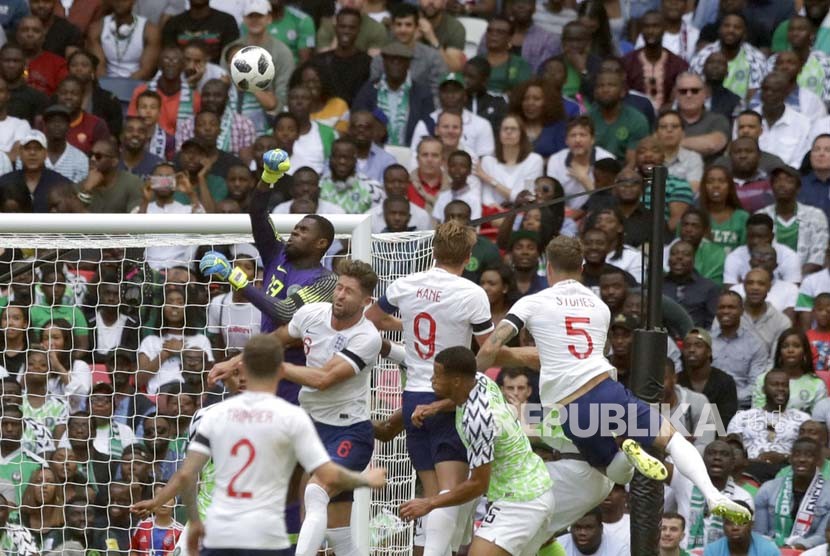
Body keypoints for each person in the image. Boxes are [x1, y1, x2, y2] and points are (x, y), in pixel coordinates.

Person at [477, 235, 752, 525]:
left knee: (616, 473)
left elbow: (491, 348)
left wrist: (475, 371)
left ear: (548, 267)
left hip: (571, 410)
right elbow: (598, 349)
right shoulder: (600, 307)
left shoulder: (532, 302)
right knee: (671, 439)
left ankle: (625, 450)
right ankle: (713, 495)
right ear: (582, 267)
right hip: (608, 390)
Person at [132, 334, 386, 556]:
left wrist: (159, 502)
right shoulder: (291, 418)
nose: (241, 379)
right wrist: (364, 480)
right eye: (237, 373)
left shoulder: (212, 416)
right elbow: (327, 473)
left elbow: (187, 475)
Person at [365, 219, 494, 555]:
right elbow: (489, 348)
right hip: (448, 396)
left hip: (412, 396)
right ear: (468, 256)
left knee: (432, 493)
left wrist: (404, 327)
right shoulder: (472, 294)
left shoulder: (406, 284)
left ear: (433, 251)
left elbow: (372, 319)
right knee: (446, 496)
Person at [399, 346, 556, 555]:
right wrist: (436, 407)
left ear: (455, 381)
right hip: (536, 489)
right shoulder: (481, 381)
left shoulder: (478, 422)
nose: (432, 380)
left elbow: (477, 484)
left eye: (438, 375)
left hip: (520, 501)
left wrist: (430, 503)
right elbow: (459, 400)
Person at [272, 261, 381, 556]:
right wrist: (239, 361)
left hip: (349, 433)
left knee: (315, 492)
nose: (341, 295)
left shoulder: (367, 337)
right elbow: (277, 339)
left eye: (350, 291)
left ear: (366, 301)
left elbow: (323, 380)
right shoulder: (311, 314)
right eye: (339, 287)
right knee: (339, 534)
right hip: (312, 428)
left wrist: (276, 367)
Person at [666, 440, 756, 551]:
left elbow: (743, 537)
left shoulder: (743, 497)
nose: (717, 458)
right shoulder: (685, 481)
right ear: (702, 460)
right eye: (711, 453)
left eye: (724, 454)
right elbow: (656, 464)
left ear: (733, 464)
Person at [352, 41, 435, 148]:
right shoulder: (369, 89)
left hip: (410, 153)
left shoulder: (422, 93)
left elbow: (428, 128)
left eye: (401, 60)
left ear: (409, 64)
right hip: (374, 153)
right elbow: (357, 120)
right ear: (384, 62)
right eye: (391, 60)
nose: (396, 64)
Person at [754, 437, 830, 550]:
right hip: (770, 550)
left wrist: (794, 548)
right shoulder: (768, 489)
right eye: (797, 455)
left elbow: (822, 536)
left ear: (818, 461)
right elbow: (760, 533)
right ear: (790, 459)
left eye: (809, 455)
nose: (802, 459)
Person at [369, 3, 446, 99]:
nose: (403, 30)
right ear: (392, 27)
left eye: (408, 25)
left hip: (422, 110)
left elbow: (438, 93)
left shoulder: (433, 58)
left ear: (417, 27)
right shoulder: (380, 58)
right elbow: (373, 90)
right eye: (398, 24)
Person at [622, 10, 689, 112]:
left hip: (669, 118)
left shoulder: (678, 65)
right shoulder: (627, 62)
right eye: (646, 27)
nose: (650, 31)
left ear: (664, 28)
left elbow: (680, 98)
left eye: (655, 26)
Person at [689, 13, 767, 101]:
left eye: (737, 27)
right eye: (726, 26)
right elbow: (693, 88)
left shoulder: (756, 59)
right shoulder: (703, 56)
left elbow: (754, 97)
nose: (731, 30)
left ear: (745, 34)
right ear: (719, 30)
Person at [311, 8, 372, 106]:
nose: (346, 31)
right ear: (336, 28)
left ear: (359, 30)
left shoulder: (367, 63)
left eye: (352, 27)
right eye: (342, 26)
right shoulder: (320, 61)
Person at [87, 0, 160, 80]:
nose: (119, 2)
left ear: (133, 1)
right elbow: (99, 68)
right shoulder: (97, 29)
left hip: (136, 84)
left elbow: (146, 70)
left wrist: (124, 87)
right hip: (106, 83)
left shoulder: (149, 30)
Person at [0, 130, 69, 213]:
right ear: (20, 153)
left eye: (38, 148)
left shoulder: (61, 183)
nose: (32, 153)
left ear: (46, 153)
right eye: (27, 148)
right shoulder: (4, 182)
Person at [723, 213, 801, 286]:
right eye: (751, 236)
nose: (755, 241)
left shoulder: (788, 256)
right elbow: (731, 292)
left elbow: (793, 290)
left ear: (772, 237)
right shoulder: (735, 256)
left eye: (760, 237)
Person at [589, 70, 650, 162]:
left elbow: (632, 163)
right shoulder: (587, 120)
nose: (605, 90)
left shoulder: (637, 120)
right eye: (600, 86)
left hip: (624, 173)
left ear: (622, 92)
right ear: (595, 93)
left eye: (611, 85)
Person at [674, 72, 730, 162]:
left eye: (695, 91)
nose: (689, 95)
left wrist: (671, 144)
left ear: (705, 94)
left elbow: (712, 145)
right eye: (683, 91)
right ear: (676, 95)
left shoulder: (718, 120)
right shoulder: (664, 119)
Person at [161, 0, 239, 64]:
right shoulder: (174, 23)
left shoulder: (227, 21)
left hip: (217, 76)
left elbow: (230, 56)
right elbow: (170, 55)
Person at [665, 241, 720, 328]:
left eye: (686, 254)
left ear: (694, 260)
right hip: (662, 338)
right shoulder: (657, 286)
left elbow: (712, 324)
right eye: (674, 254)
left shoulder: (709, 288)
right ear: (668, 260)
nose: (679, 257)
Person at [703, 501, 780, 555]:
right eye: (729, 523)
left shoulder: (768, 551)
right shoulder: (712, 551)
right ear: (723, 526)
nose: (735, 527)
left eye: (741, 522)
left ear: (751, 524)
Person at [17, 15, 68, 97]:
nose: (30, 34)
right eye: (25, 30)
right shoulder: (5, 60)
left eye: (36, 31)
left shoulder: (59, 64)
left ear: (44, 36)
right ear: (17, 35)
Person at [657, 110, 704, 193]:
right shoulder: (649, 158)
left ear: (683, 133)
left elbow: (692, 190)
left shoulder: (693, 158)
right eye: (664, 127)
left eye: (674, 126)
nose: (669, 130)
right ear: (656, 134)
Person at [41, 103, 88, 184]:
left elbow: (79, 191)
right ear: (45, 125)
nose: (57, 125)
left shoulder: (80, 159)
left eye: (62, 121)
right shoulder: (32, 154)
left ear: (69, 126)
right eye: (52, 121)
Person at [557, 507, 630, 555]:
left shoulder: (618, 549)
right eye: (577, 527)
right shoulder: (558, 546)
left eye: (589, 528)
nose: (582, 533)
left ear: (601, 529)